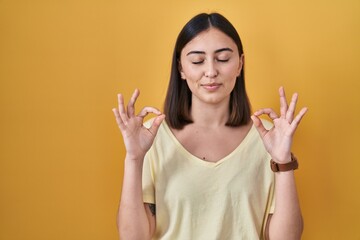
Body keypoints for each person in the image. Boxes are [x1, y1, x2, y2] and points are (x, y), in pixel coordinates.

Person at [112, 12, 307, 240]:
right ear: (181, 68)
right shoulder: (152, 135)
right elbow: (133, 237)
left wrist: (283, 161)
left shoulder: (268, 137)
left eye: (223, 59)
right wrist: (134, 158)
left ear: (240, 64)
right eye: (197, 61)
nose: (211, 72)